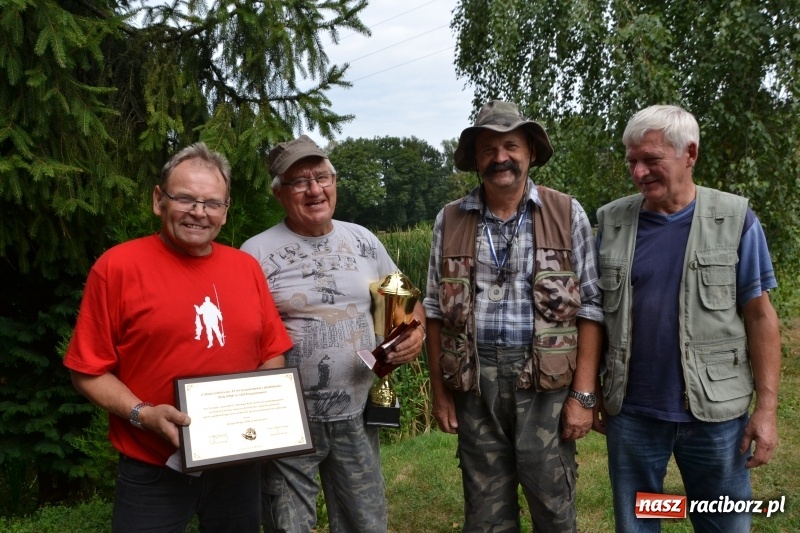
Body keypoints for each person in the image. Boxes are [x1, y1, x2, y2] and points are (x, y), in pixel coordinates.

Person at [64, 142, 293, 532]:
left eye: (212, 203)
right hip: (153, 468)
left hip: (236, 467)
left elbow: (272, 354)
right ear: (159, 200)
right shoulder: (117, 267)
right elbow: (87, 370)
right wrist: (143, 414)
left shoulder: (245, 268)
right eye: (185, 198)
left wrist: (260, 416)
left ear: (225, 210)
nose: (198, 213)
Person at [596, 104, 780, 532]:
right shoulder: (611, 222)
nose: (639, 173)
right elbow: (595, 315)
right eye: (632, 162)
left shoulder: (735, 220)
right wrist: (590, 393)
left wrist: (767, 410)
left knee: (723, 523)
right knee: (639, 523)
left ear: (690, 154)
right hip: (633, 413)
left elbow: (760, 317)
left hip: (716, 415)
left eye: (651, 160)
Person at [423, 100, 604, 532]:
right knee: (484, 516)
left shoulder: (566, 212)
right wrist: (440, 392)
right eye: (487, 149)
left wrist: (582, 396)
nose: (499, 157)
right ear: (475, 160)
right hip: (474, 383)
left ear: (531, 152)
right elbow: (433, 310)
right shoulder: (449, 219)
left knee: (554, 507)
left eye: (510, 146)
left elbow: (593, 307)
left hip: (546, 383)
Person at [240, 135, 426, 533]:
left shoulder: (363, 240)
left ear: (334, 182)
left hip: (356, 416)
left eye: (322, 177)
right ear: (280, 194)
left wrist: (414, 335)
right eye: (299, 181)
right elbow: (243, 339)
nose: (314, 190)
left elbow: (404, 302)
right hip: (288, 424)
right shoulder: (253, 253)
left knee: (366, 522)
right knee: (287, 526)